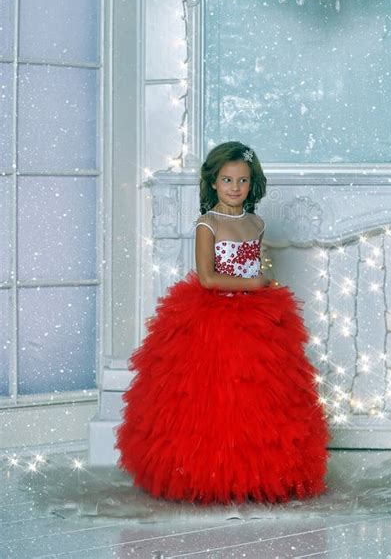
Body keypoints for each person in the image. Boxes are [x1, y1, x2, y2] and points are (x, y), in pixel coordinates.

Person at [114, 141, 330, 504]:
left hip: (255, 317)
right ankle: (207, 474)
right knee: (211, 397)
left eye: (242, 181)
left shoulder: (256, 223)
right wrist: (256, 283)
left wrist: (262, 283)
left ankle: (255, 475)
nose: (234, 187)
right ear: (213, 182)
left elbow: (254, 264)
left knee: (257, 396)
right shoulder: (207, 224)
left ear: (252, 183)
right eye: (227, 180)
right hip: (211, 317)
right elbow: (209, 278)